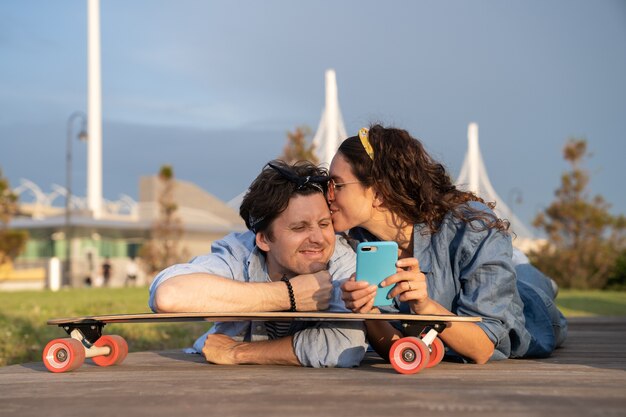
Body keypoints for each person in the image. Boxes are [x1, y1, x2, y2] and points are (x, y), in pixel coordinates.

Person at [328, 124, 567, 364]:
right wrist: (368, 313)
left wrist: (425, 307)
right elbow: (396, 347)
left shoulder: (471, 227)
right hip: (443, 345)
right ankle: (517, 263)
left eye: (337, 185)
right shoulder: (357, 243)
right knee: (516, 270)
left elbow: (481, 348)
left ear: (379, 192)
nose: (328, 195)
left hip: (530, 312)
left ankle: (535, 274)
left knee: (531, 282)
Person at [149, 160, 368, 368]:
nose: (319, 238)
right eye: (299, 228)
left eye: (324, 224)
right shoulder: (239, 252)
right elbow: (168, 296)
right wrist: (288, 295)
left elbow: (346, 345)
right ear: (263, 239)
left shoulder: (341, 259)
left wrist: (239, 352)